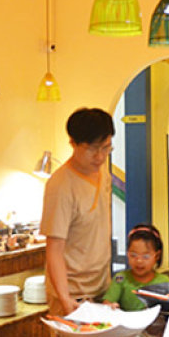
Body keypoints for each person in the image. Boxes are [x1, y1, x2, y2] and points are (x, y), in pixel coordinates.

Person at [40, 108, 115, 316]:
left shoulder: (102, 172)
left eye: (106, 148)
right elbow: (54, 249)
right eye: (92, 149)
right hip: (72, 292)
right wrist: (64, 298)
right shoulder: (61, 186)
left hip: (101, 285)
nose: (100, 156)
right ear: (73, 143)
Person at [103, 224, 169, 311]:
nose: (139, 261)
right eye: (133, 255)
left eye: (146, 256)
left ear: (157, 256)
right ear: (127, 253)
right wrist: (110, 306)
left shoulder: (164, 282)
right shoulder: (120, 278)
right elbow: (107, 302)